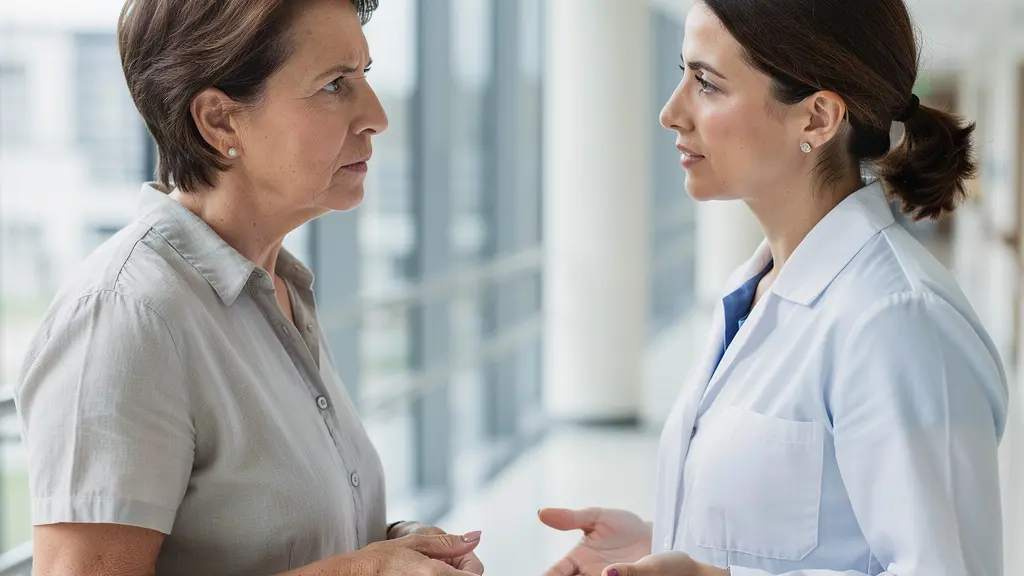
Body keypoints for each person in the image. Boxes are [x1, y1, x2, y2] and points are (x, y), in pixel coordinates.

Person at [14, 1, 484, 575]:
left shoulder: (275, 289)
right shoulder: (126, 316)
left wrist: (394, 546)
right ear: (219, 121)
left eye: (364, 76)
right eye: (335, 84)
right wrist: (362, 572)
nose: (377, 116)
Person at [539, 1, 1008, 575]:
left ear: (816, 118)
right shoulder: (756, 288)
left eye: (707, 84)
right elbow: (817, 531)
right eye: (680, 74)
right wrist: (660, 541)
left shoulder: (897, 321)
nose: (670, 112)